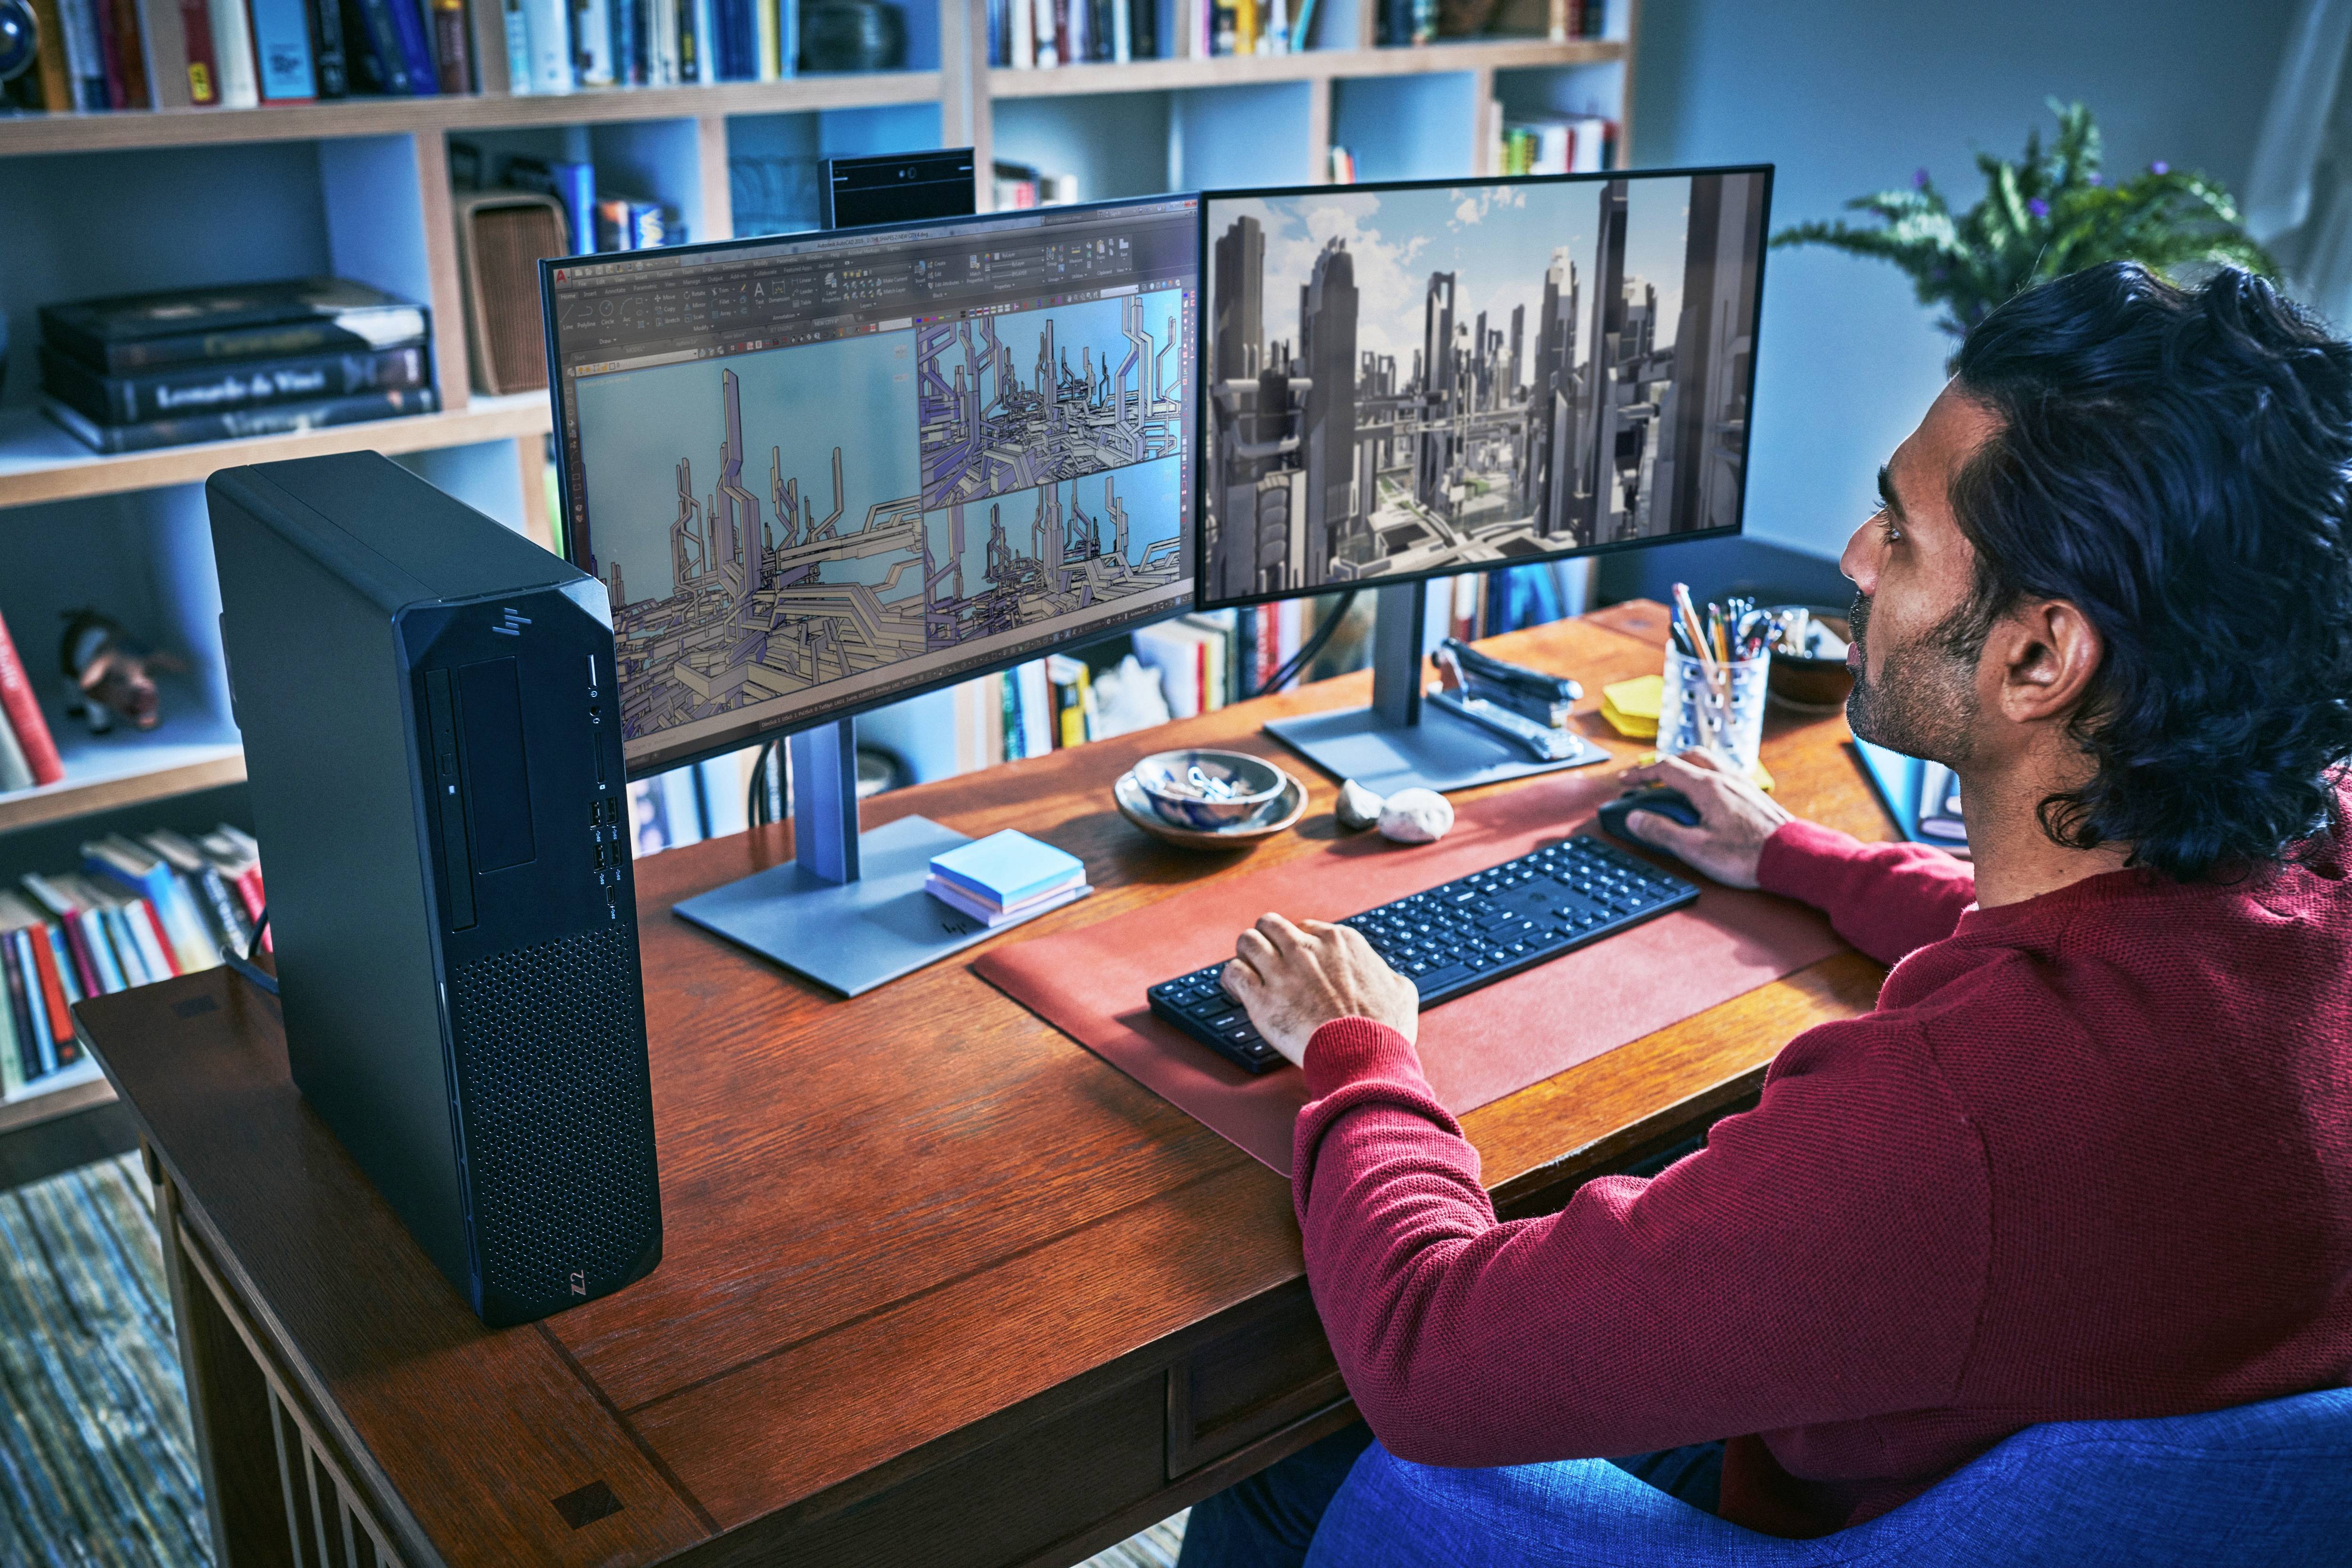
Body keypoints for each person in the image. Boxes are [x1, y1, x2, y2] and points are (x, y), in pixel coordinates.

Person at [1175, 262, 2352, 1566]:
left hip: (1812, 1521)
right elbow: (2116, 966)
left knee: (1292, 1452)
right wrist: (1809, 859)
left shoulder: (1952, 1120)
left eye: (1897, 533)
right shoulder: (2313, 874)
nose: (1853, 559)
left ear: (2039, 658)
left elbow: (1424, 1354)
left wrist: (1361, 1051)